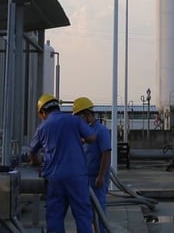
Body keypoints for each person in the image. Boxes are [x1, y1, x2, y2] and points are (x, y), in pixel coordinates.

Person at [28, 94, 96, 232]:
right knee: (83, 215)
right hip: (77, 177)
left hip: (55, 179)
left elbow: (32, 151)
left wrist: (35, 161)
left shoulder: (43, 127)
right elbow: (92, 137)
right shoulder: (74, 120)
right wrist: (80, 140)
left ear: (42, 112)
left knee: (55, 216)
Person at [72, 97, 112, 232]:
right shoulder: (85, 132)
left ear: (86, 114)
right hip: (85, 179)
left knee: (99, 211)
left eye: (79, 117)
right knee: (86, 213)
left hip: (96, 180)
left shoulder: (100, 131)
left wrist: (101, 176)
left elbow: (106, 153)